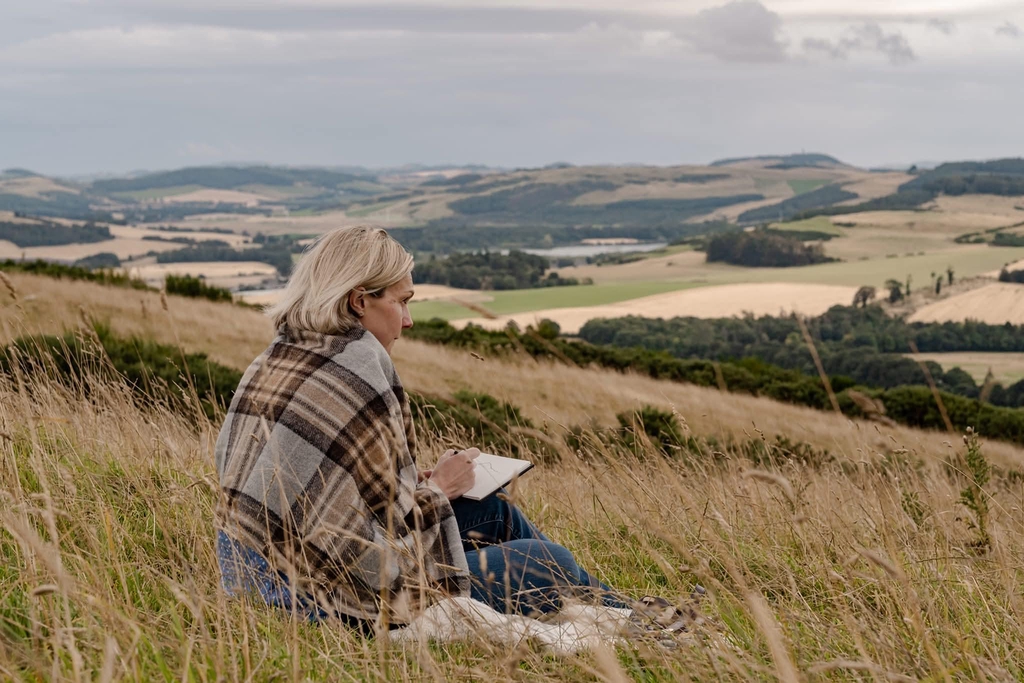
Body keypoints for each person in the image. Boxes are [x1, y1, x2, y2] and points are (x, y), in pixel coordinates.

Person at [214, 225, 627, 632]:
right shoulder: (355, 368)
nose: (408, 321)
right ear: (359, 301)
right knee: (548, 561)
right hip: (319, 597)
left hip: (252, 574)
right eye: (401, 302)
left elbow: (341, 497)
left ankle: (630, 615)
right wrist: (439, 489)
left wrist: (417, 485)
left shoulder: (281, 353)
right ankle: (635, 621)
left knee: (494, 510)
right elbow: (373, 547)